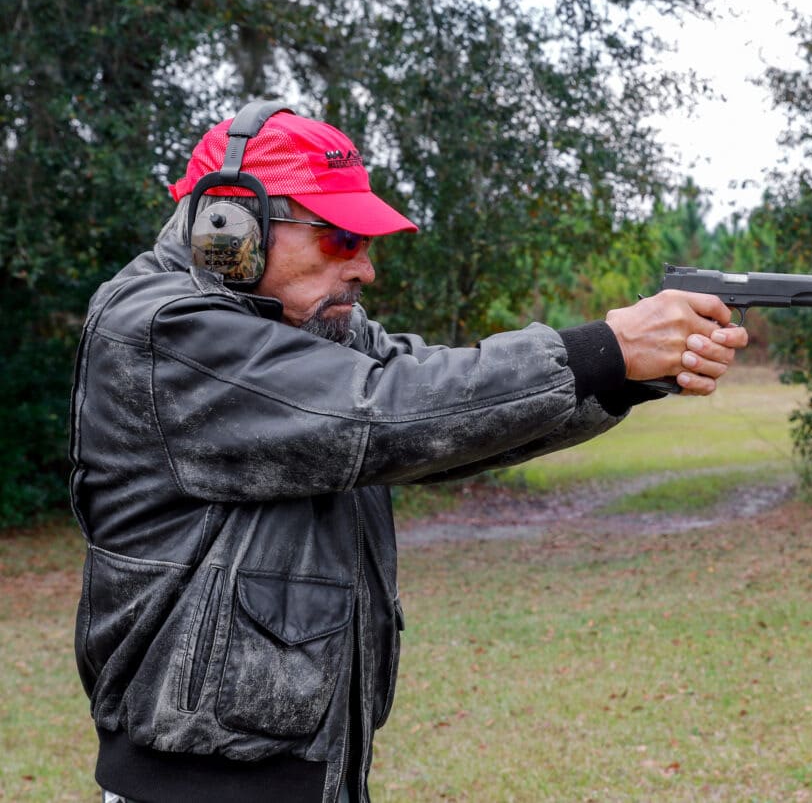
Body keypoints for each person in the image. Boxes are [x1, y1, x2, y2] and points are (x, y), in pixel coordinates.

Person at [68, 101, 747, 803]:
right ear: (228, 223)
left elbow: (449, 429)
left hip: (313, 771)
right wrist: (604, 346)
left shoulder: (310, 325)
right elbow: (386, 409)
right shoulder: (160, 329)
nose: (364, 268)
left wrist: (626, 372)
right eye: (339, 237)